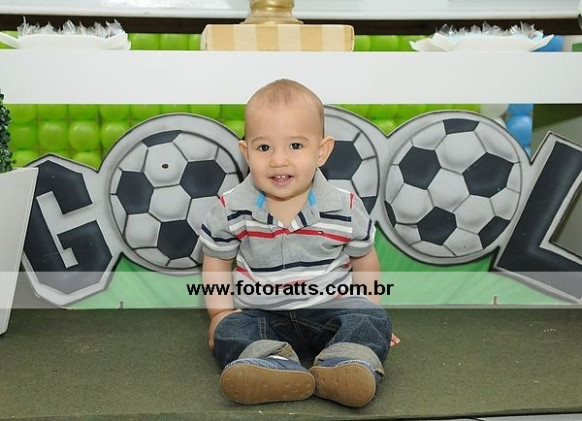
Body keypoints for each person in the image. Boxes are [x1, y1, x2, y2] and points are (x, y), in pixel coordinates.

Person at [200, 79, 399, 408]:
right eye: (264, 148)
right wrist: (219, 312)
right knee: (230, 328)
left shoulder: (345, 206)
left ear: (321, 151)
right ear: (246, 152)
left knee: (371, 319)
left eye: (295, 146)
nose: (279, 160)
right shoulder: (231, 207)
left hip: (330, 308)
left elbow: (364, 261)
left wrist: (369, 307)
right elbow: (217, 262)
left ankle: (346, 361)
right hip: (261, 313)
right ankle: (270, 364)